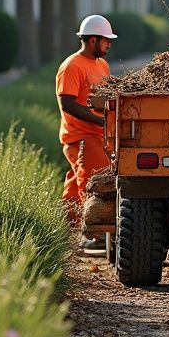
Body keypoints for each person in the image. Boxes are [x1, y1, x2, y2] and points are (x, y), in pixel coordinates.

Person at [56, 14, 117, 251]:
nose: (109, 44)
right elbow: (68, 104)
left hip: (98, 133)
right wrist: (97, 121)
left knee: (75, 184)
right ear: (93, 40)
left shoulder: (102, 65)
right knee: (93, 183)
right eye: (106, 40)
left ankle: (63, 230)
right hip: (81, 136)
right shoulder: (72, 66)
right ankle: (93, 236)